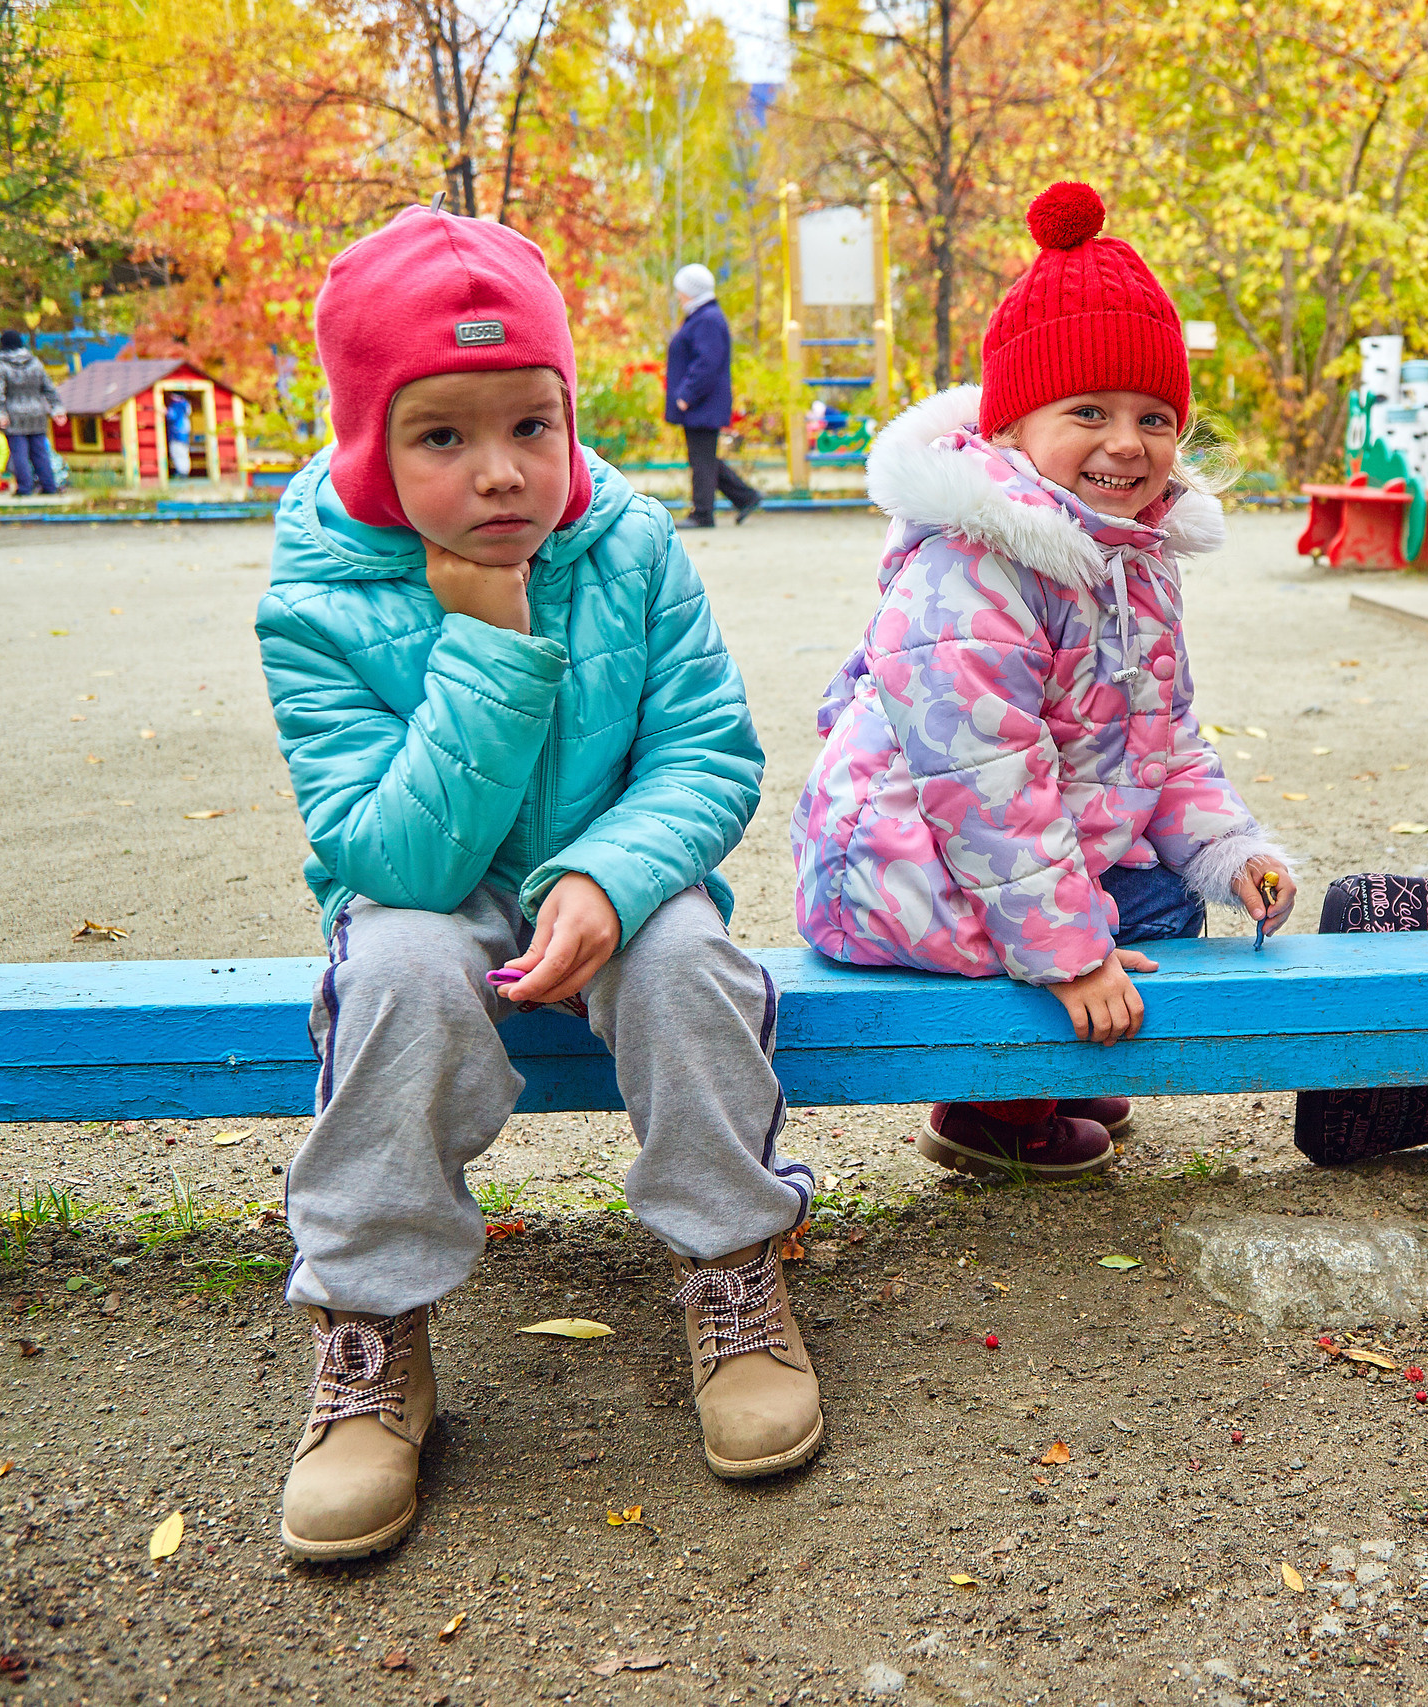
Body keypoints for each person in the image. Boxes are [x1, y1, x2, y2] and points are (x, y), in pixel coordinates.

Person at [256, 204, 820, 1562]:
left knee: (690, 959)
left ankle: (731, 1266)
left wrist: (611, 878)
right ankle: (375, 1326)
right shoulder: (318, 597)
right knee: (393, 969)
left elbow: (704, 750)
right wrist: (488, 644)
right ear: (369, 445)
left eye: (533, 423)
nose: (502, 471)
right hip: (426, 893)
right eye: (443, 434)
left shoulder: (628, 545)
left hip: (617, 880)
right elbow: (392, 857)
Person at [791, 181, 1296, 1181]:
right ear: (1013, 428)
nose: (1126, 442)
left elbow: (1164, 741)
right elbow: (986, 789)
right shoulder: (971, 569)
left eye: (1155, 417)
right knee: (1113, 925)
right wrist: (1073, 952)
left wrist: (1226, 849)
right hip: (900, 866)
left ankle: (1045, 1064)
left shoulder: (1131, 555)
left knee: (1164, 906)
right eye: (1088, 412)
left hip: (983, 852)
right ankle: (993, 1107)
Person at [664, 263, 762, 528]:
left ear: (692, 291)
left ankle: (703, 514)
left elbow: (706, 362)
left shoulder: (707, 319)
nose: (678, 295)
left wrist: (686, 393)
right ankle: (746, 497)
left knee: (702, 459)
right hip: (702, 403)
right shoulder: (702, 316)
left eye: (681, 290)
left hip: (701, 403)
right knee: (704, 457)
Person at [0, 330, 64, 496]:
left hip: (14, 413)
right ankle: (49, 487)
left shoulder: (0, 364)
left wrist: (1, 414)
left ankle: (25, 488)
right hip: (37, 412)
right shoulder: (34, 361)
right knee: (40, 452)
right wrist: (57, 408)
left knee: (19, 453)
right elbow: (48, 387)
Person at [165, 391, 193, 478]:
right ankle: (184, 471)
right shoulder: (185, 405)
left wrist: (165, 412)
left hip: (177, 434)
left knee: (178, 452)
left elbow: (172, 416)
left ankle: (182, 471)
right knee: (183, 452)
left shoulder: (177, 405)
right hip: (183, 434)